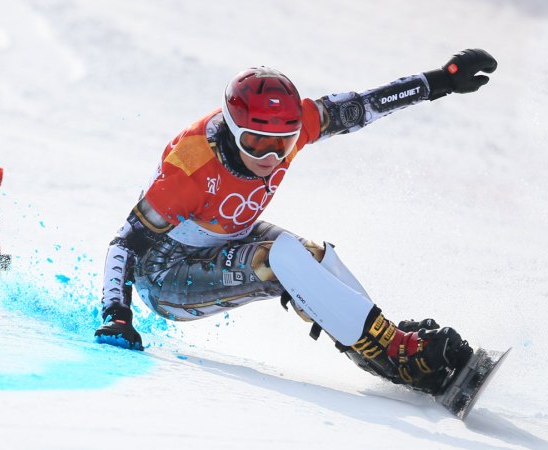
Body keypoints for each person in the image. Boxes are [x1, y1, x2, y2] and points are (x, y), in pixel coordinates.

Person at [94, 49, 498, 396]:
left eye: (283, 144)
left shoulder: (296, 124)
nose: (270, 157)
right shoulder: (191, 167)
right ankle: (395, 353)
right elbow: (126, 243)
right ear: (234, 131)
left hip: (225, 236)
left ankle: (387, 345)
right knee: (280, 258)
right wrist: (116, 315)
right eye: (256, 142)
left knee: (312, 257)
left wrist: (439, 81)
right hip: (166, 273)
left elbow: (364, 104)